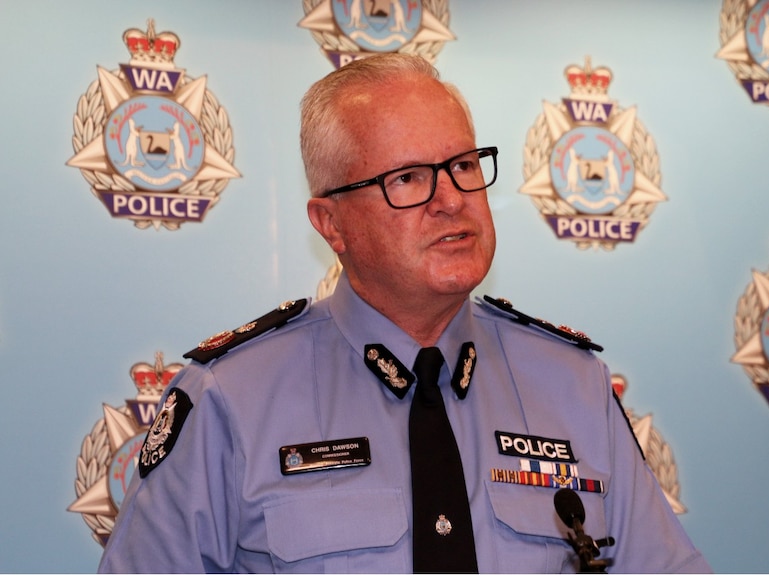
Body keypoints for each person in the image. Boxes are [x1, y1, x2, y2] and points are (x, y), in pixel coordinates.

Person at [99, 53, 711, 573]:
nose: (451, 200)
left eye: (465, 166)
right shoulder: (229, 400)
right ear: (330, 223)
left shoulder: (573, 386)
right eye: (409, 178)